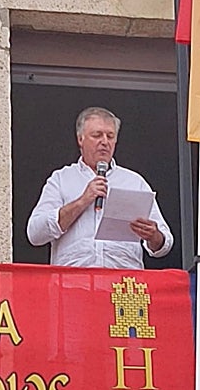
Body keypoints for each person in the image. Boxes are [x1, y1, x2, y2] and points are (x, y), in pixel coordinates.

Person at [27, 106, 173, 269]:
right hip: (73, 284)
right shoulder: (61, 179)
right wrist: (83, 201)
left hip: (122, 284)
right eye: (97, 135)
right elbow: (35, 234)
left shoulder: (134, 182)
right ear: (80, 139)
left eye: (110, 136)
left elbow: (164, 245)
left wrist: (153, 236)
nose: (104, 141)